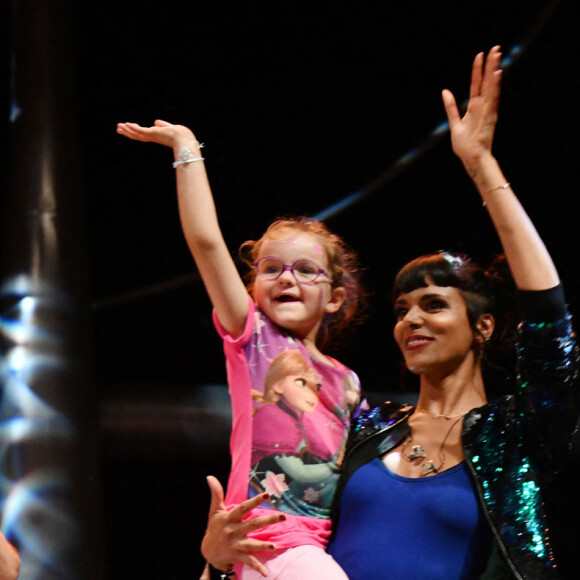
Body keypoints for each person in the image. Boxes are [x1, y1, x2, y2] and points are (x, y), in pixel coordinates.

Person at [199, 46, 579, 579]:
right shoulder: (364, 428)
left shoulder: (518, 431)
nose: (411, 320)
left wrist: (482, 168)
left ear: (483, 327)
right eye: (402, 308)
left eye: (434, 304)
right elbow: (281, 529)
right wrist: (218, 558)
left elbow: (548, 318)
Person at [116, 109, 368, 578]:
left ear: (334, 297)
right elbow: (207, 243)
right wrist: (186, 149)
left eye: (304, 269)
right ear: (252, 288)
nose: (285, 278)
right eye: (270, 269)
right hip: (264, 544)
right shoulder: (252, 336)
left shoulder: (348, 382)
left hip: (312, 550)